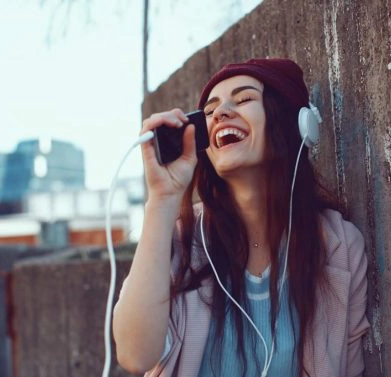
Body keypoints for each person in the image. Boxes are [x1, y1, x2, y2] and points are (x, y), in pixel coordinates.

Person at [113, 58, 369, 377]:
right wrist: (161, 200)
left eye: (245, 98)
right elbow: (134, 356)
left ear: (298, 124)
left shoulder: (338, 245)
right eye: (209, 112)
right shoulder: (181, 239)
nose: (221, 113)